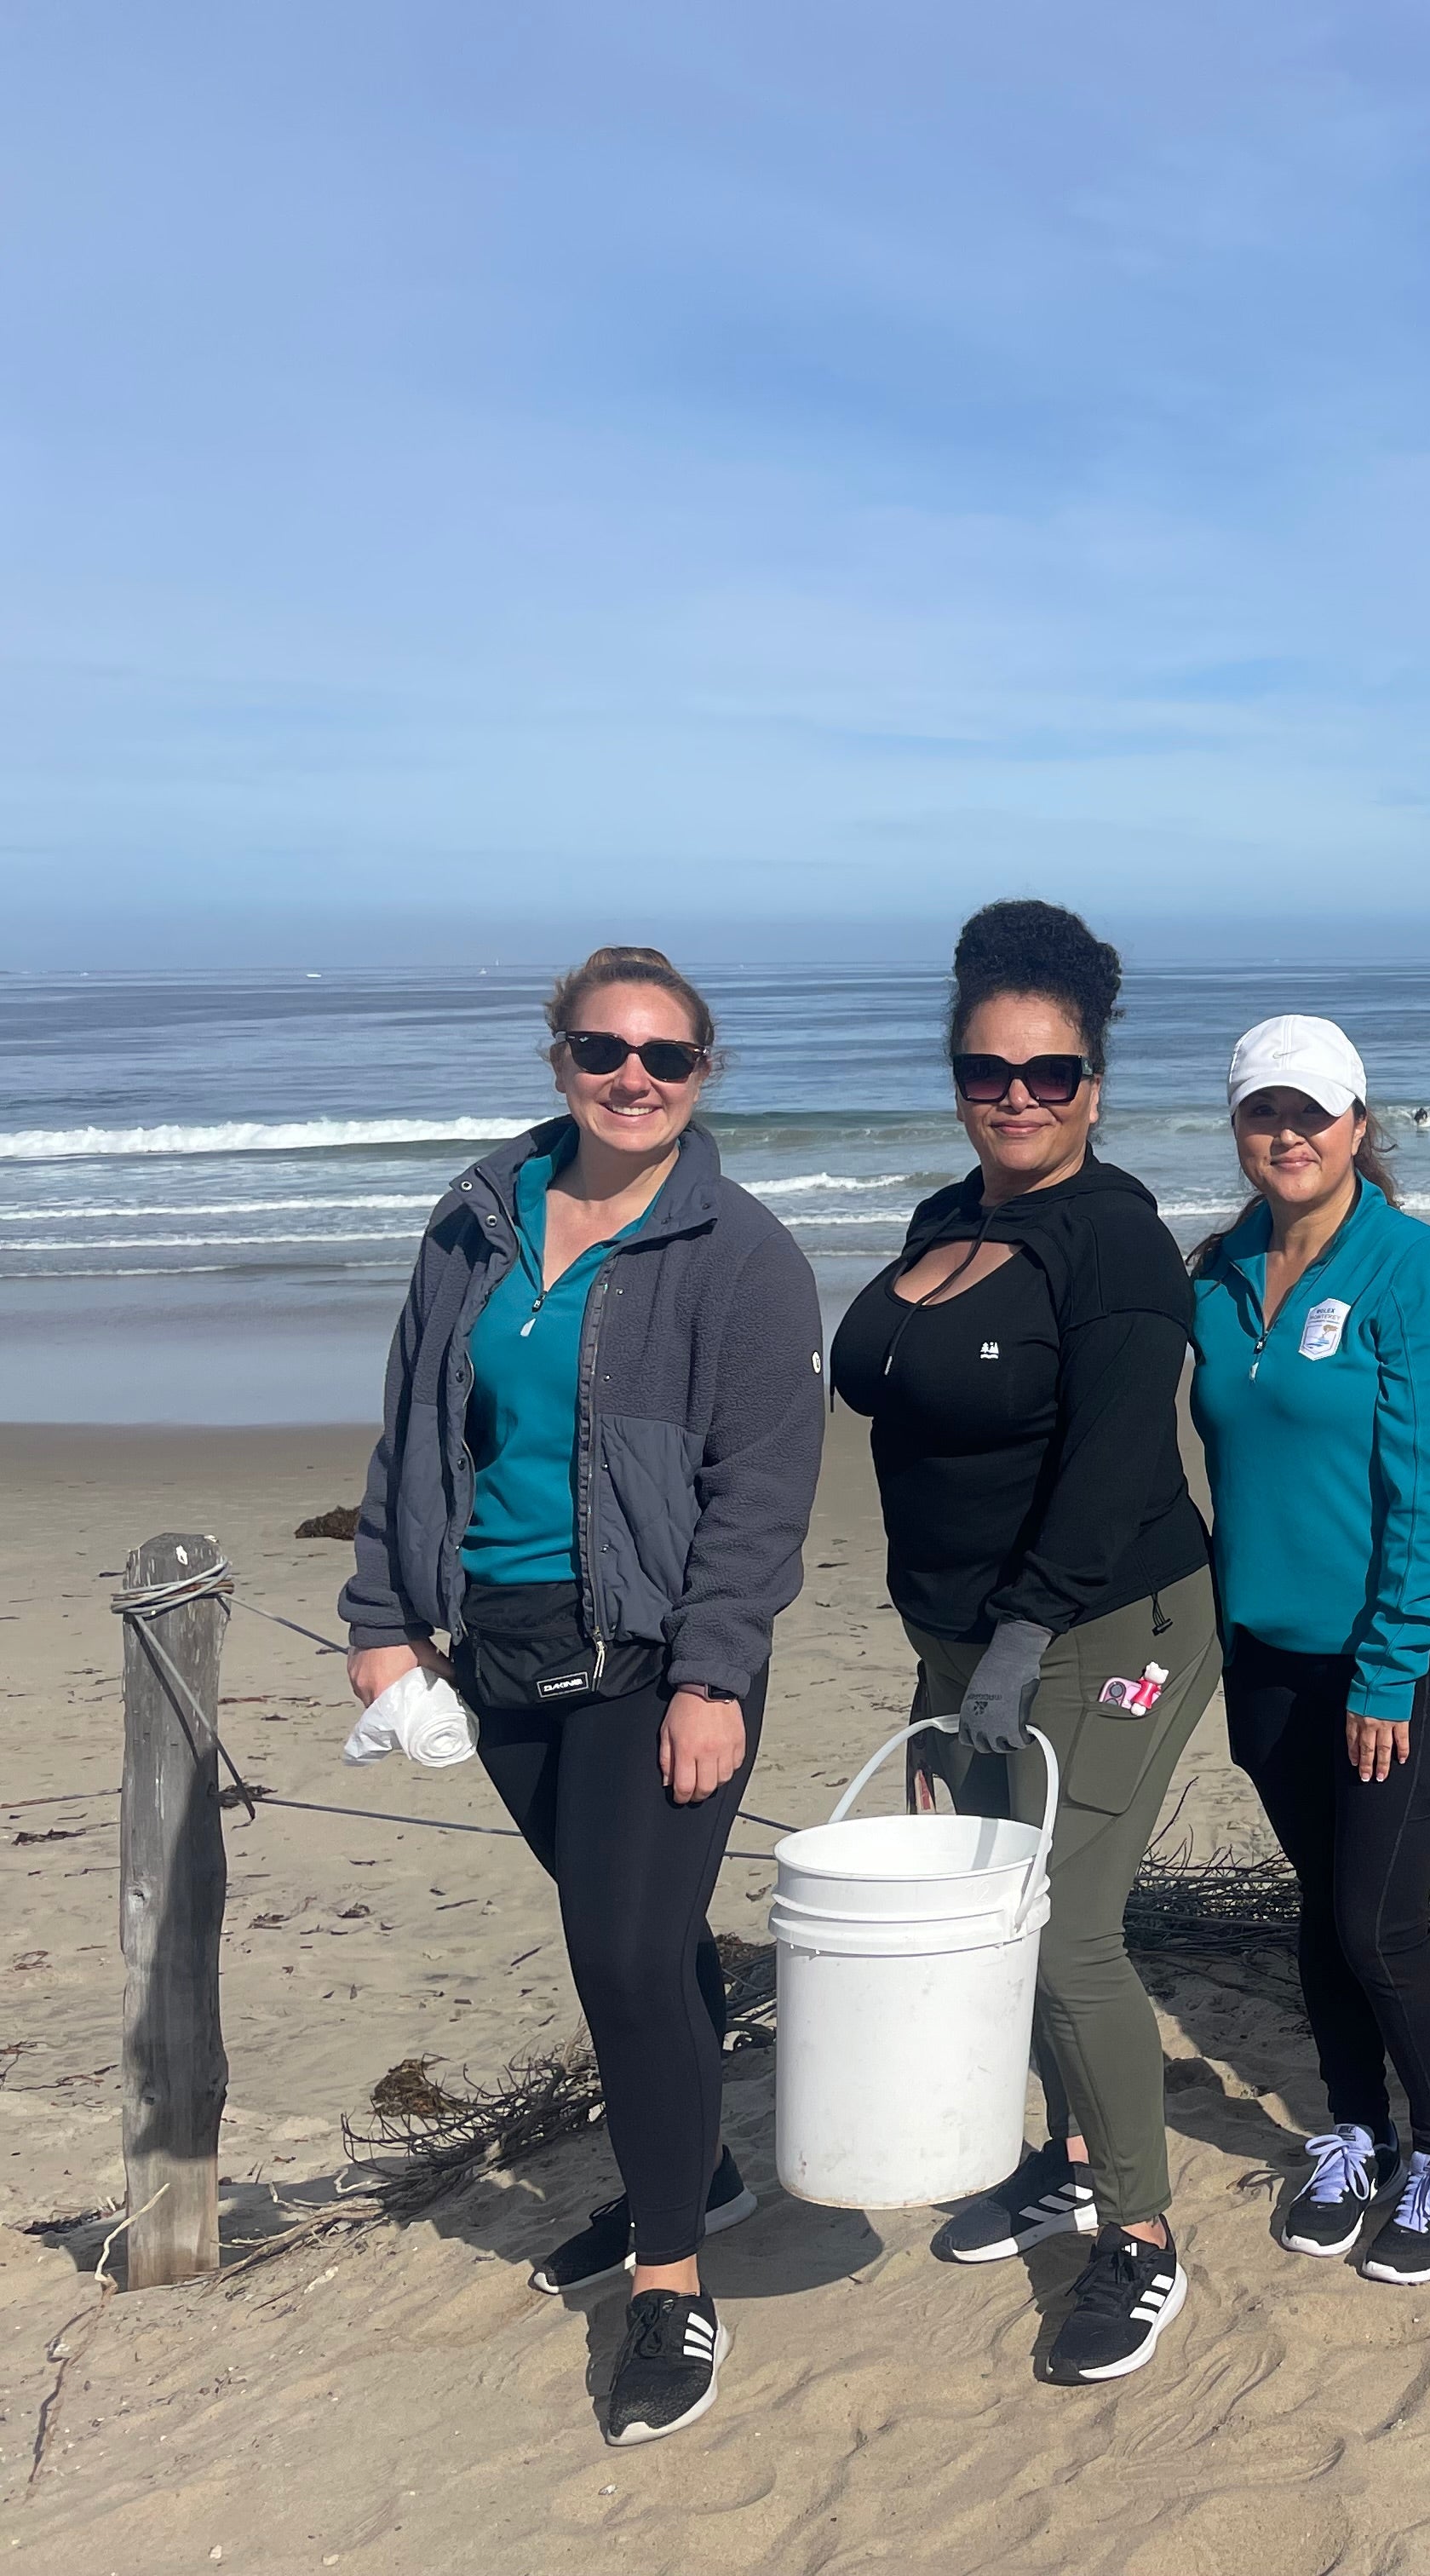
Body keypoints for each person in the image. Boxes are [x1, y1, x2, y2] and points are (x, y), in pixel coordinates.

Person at [339, 948, 821, 2447]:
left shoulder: (739, 1254)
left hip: (652, 1655)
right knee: (646, 1942)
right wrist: (379, 1614)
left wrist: (714, 1675)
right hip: (499, 1645)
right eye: (605, 1050)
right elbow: (415, 1420)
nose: (633, 1078)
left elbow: (762, 1494)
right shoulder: (473, 1222)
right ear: (558, 1058)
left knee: (617, 1954)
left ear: (702, 1076)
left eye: (666, 1059)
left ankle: (670, 2275)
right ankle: (706, 2175)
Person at [830, 900, 1222, 2389]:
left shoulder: (1114, 1242)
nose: (1017, 1098)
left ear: (1095, 1087)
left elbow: (1119, 1461)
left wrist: (1013, 1639)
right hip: (967, 1639)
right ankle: (1064, 2155)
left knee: (1066, 1929)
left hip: (1110, 1619)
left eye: (1049, 1075)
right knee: (995, 1918)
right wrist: (942, 1670)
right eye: (989, 1073)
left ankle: (1142, 2236)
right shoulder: (952, 1219)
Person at [1188, 1014, 1430, 2288]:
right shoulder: (1213, 1273)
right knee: (1321, 1910)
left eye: (1314, 1112)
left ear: (1360, 1127)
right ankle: (1355, 2130)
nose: (1291, 1134)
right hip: (1268, 1651)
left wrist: (1383, 1672)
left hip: (1402, 1650)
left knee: (1382, 1924)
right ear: (1240, 1127)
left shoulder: (1417, 1273)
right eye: (1267, 1111)